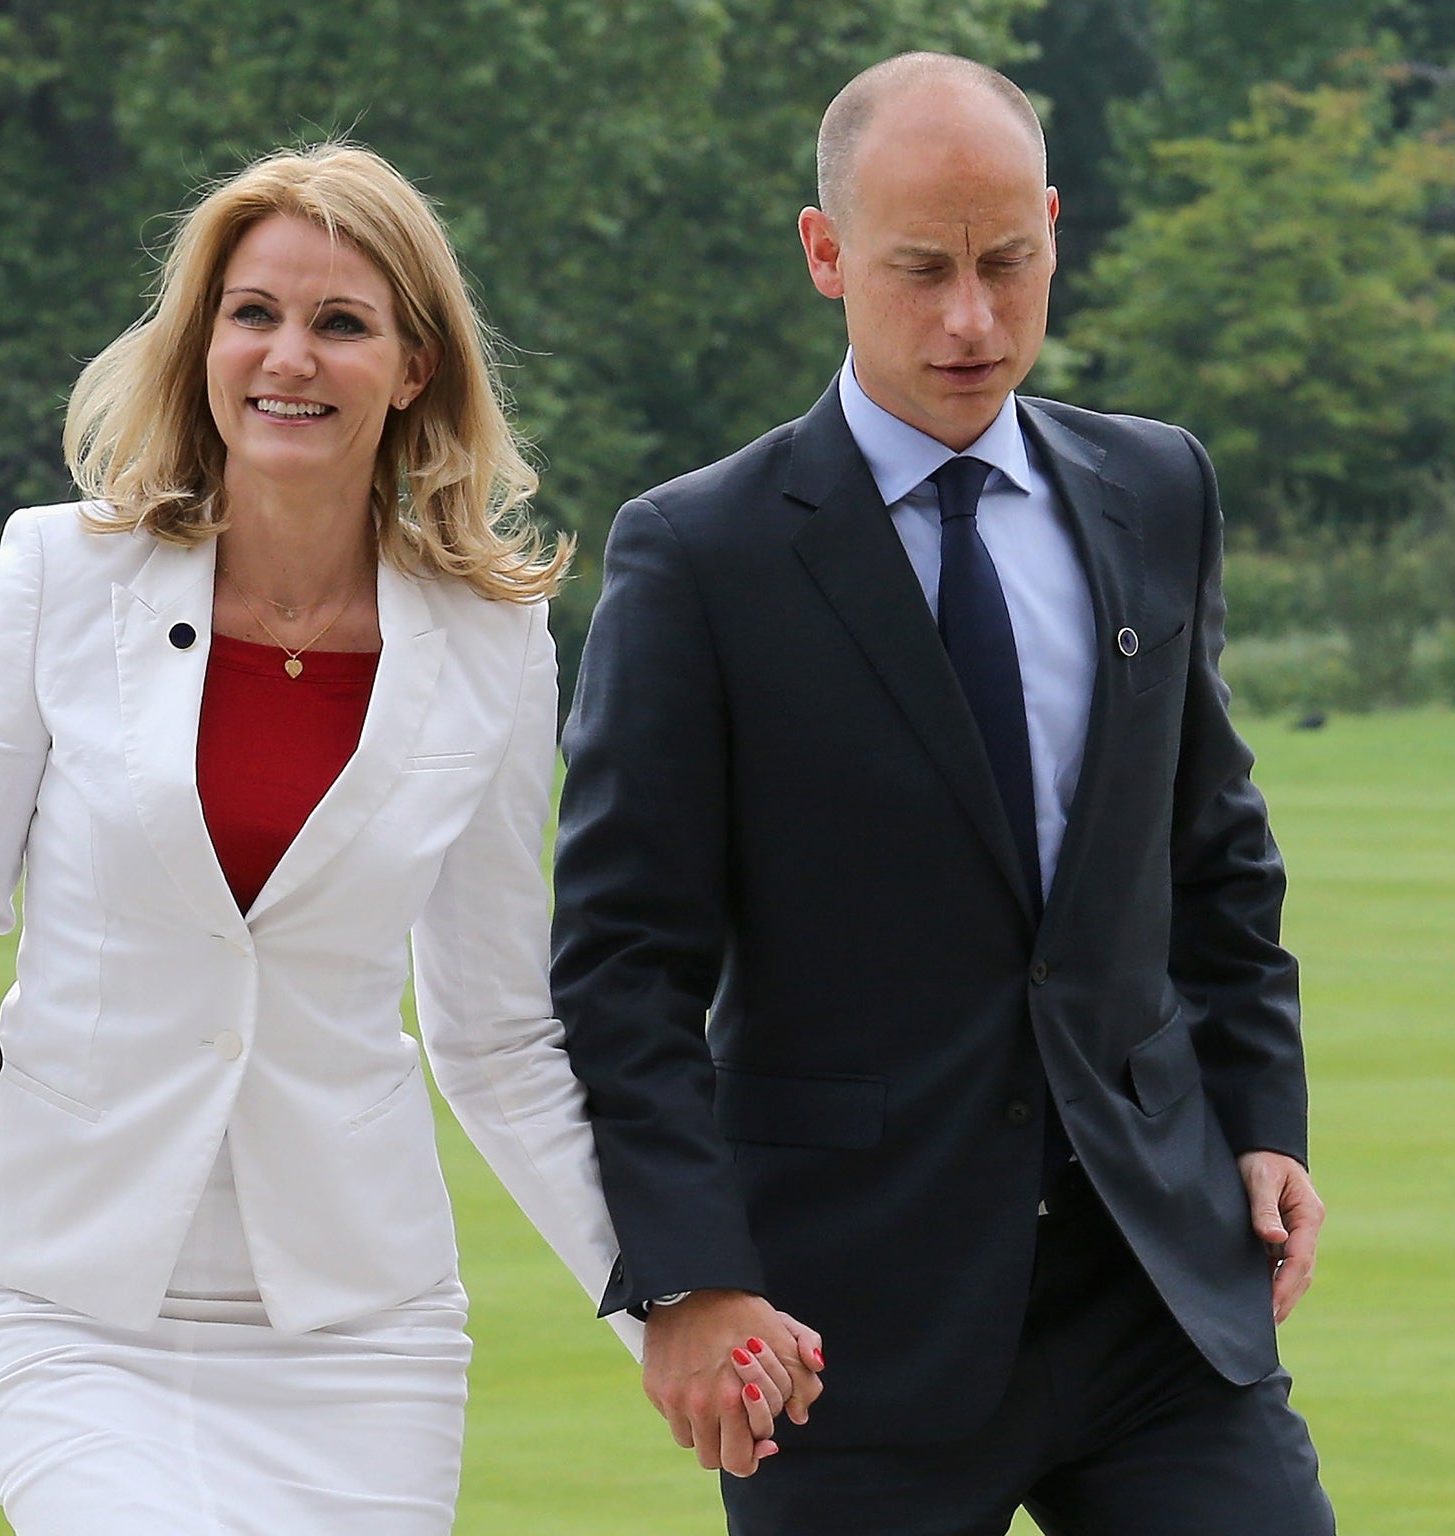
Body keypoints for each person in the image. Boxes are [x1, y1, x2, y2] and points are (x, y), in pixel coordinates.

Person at [0, 143, 701, 1535]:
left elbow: (498, 1040)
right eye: (253, 313)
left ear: (413, 368)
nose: (290, 356)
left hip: (363, 1330)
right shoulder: (56, 573)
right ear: (201, 342)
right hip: (57, 1295)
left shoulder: (495, 644)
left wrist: (666, 1309)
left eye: (341, 323)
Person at [552, 52, 1338, 1535]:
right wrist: (690, 1277)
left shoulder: (1159, 490)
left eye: (1010, 262)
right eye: (921, 269)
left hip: (1157, 1299)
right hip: (845, 1335)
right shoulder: (697, 558)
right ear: (826, 251)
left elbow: (1213, 855)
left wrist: (1262, 1117)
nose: (973, 318)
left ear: (1054, 226)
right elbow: (623, 961)